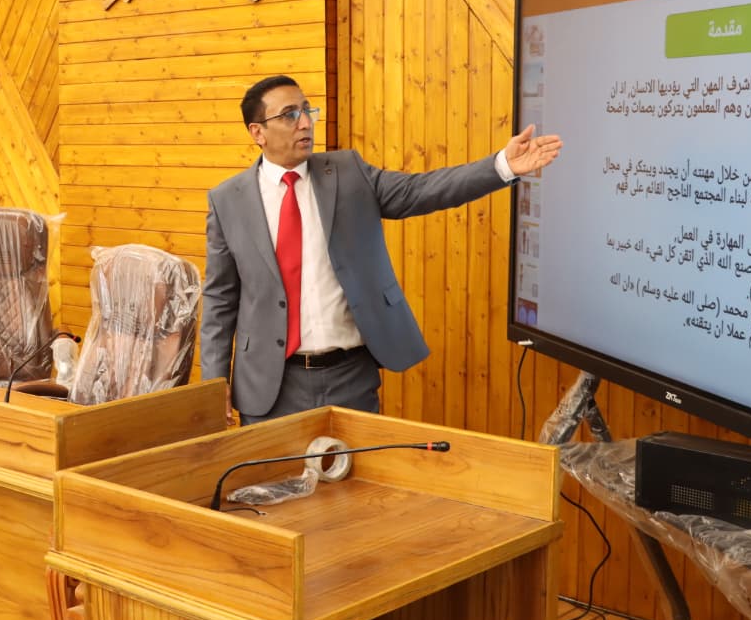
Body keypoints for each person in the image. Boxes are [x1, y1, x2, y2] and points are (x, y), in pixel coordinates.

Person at [200, 75, 563, 424]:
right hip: (269, 384)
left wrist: (502, 166)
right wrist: (215, 382)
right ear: (257, 132)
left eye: (307, 110)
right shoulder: (227, 201)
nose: (305, 123)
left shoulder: (348, 172)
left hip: (350, 377)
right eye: (289, 115)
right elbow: (220, 298)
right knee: (272, 471)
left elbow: (422, 190)